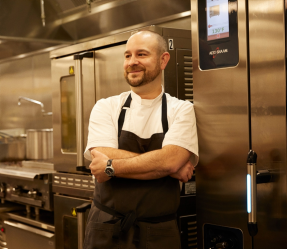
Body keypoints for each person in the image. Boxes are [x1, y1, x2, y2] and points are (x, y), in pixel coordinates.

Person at [83, 30, 198, 249]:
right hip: (107, 229)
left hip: (160, 232)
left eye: (141, 54)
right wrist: (167, 167)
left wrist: (111, 166)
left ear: (163, 60)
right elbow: (169, 162)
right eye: (127, 56)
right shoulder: (106, 107)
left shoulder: (181, 109)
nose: (132, 62)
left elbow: (170, 160)